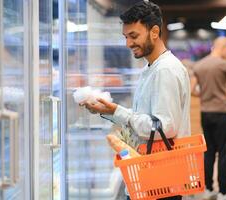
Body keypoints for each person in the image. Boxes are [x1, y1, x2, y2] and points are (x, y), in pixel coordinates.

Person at [80, 1, 190, 200]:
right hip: (152, 177)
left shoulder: (166, 70)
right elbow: (147, 117)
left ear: (154, 32)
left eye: (134, 36)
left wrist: (118, 111)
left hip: (161, 182)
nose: (128, 43)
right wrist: (108, 111)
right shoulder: (152, 68)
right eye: (125, 37)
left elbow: (163, 127)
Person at [191, 36, 226, 200]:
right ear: (223, 47)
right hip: (222, 113)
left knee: (209, 152)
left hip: (206, 114)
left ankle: (208, 189)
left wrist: (207, 94)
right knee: (224, 153)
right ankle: (223, 192)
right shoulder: (225, 65)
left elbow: (192, 90)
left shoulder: (200, 65)